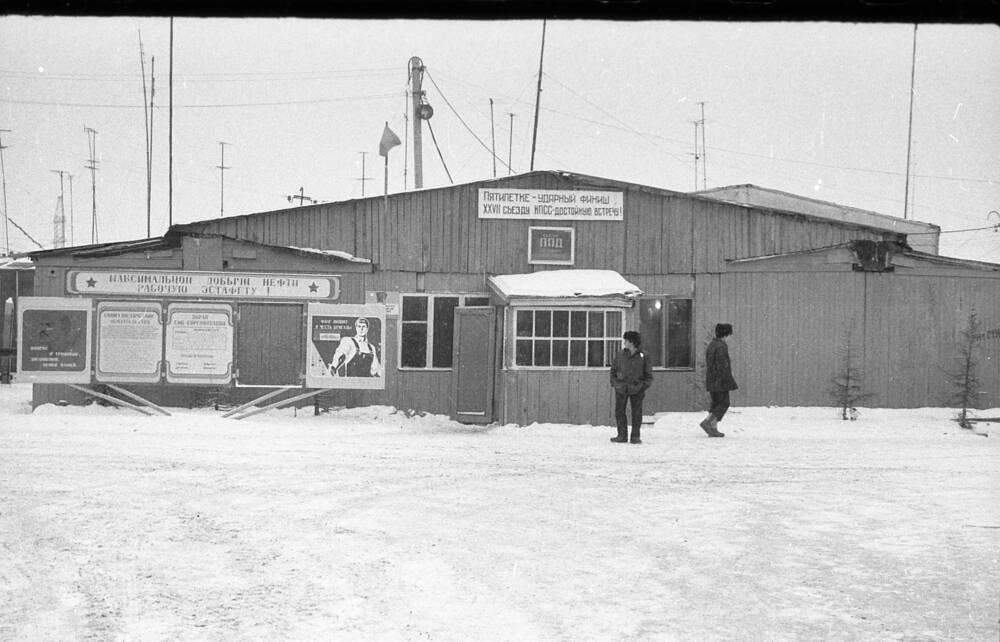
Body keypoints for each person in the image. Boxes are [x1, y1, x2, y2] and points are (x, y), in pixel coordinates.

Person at [610, 330, 653, 444]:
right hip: (621, 388)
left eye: (626, 340)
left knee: (637, 413)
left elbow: (648, 374)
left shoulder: (644, 356)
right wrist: (615, 383)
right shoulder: (620, 355)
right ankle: (621, 435)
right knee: (619, 412)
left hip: (637, 388)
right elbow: (613, 370)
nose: (624, 343)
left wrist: (643, 386)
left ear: (632, 342)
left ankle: (635, 436)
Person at [701, 323, 737, 438]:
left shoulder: (712, 345)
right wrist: (727, 380)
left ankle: (713, 427)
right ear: (726, 334)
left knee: (716, 403)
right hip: (720, 380)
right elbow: (723, 366)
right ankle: (708, 422)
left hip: (712, 379)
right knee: (724, 403)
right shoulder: (721, 346)